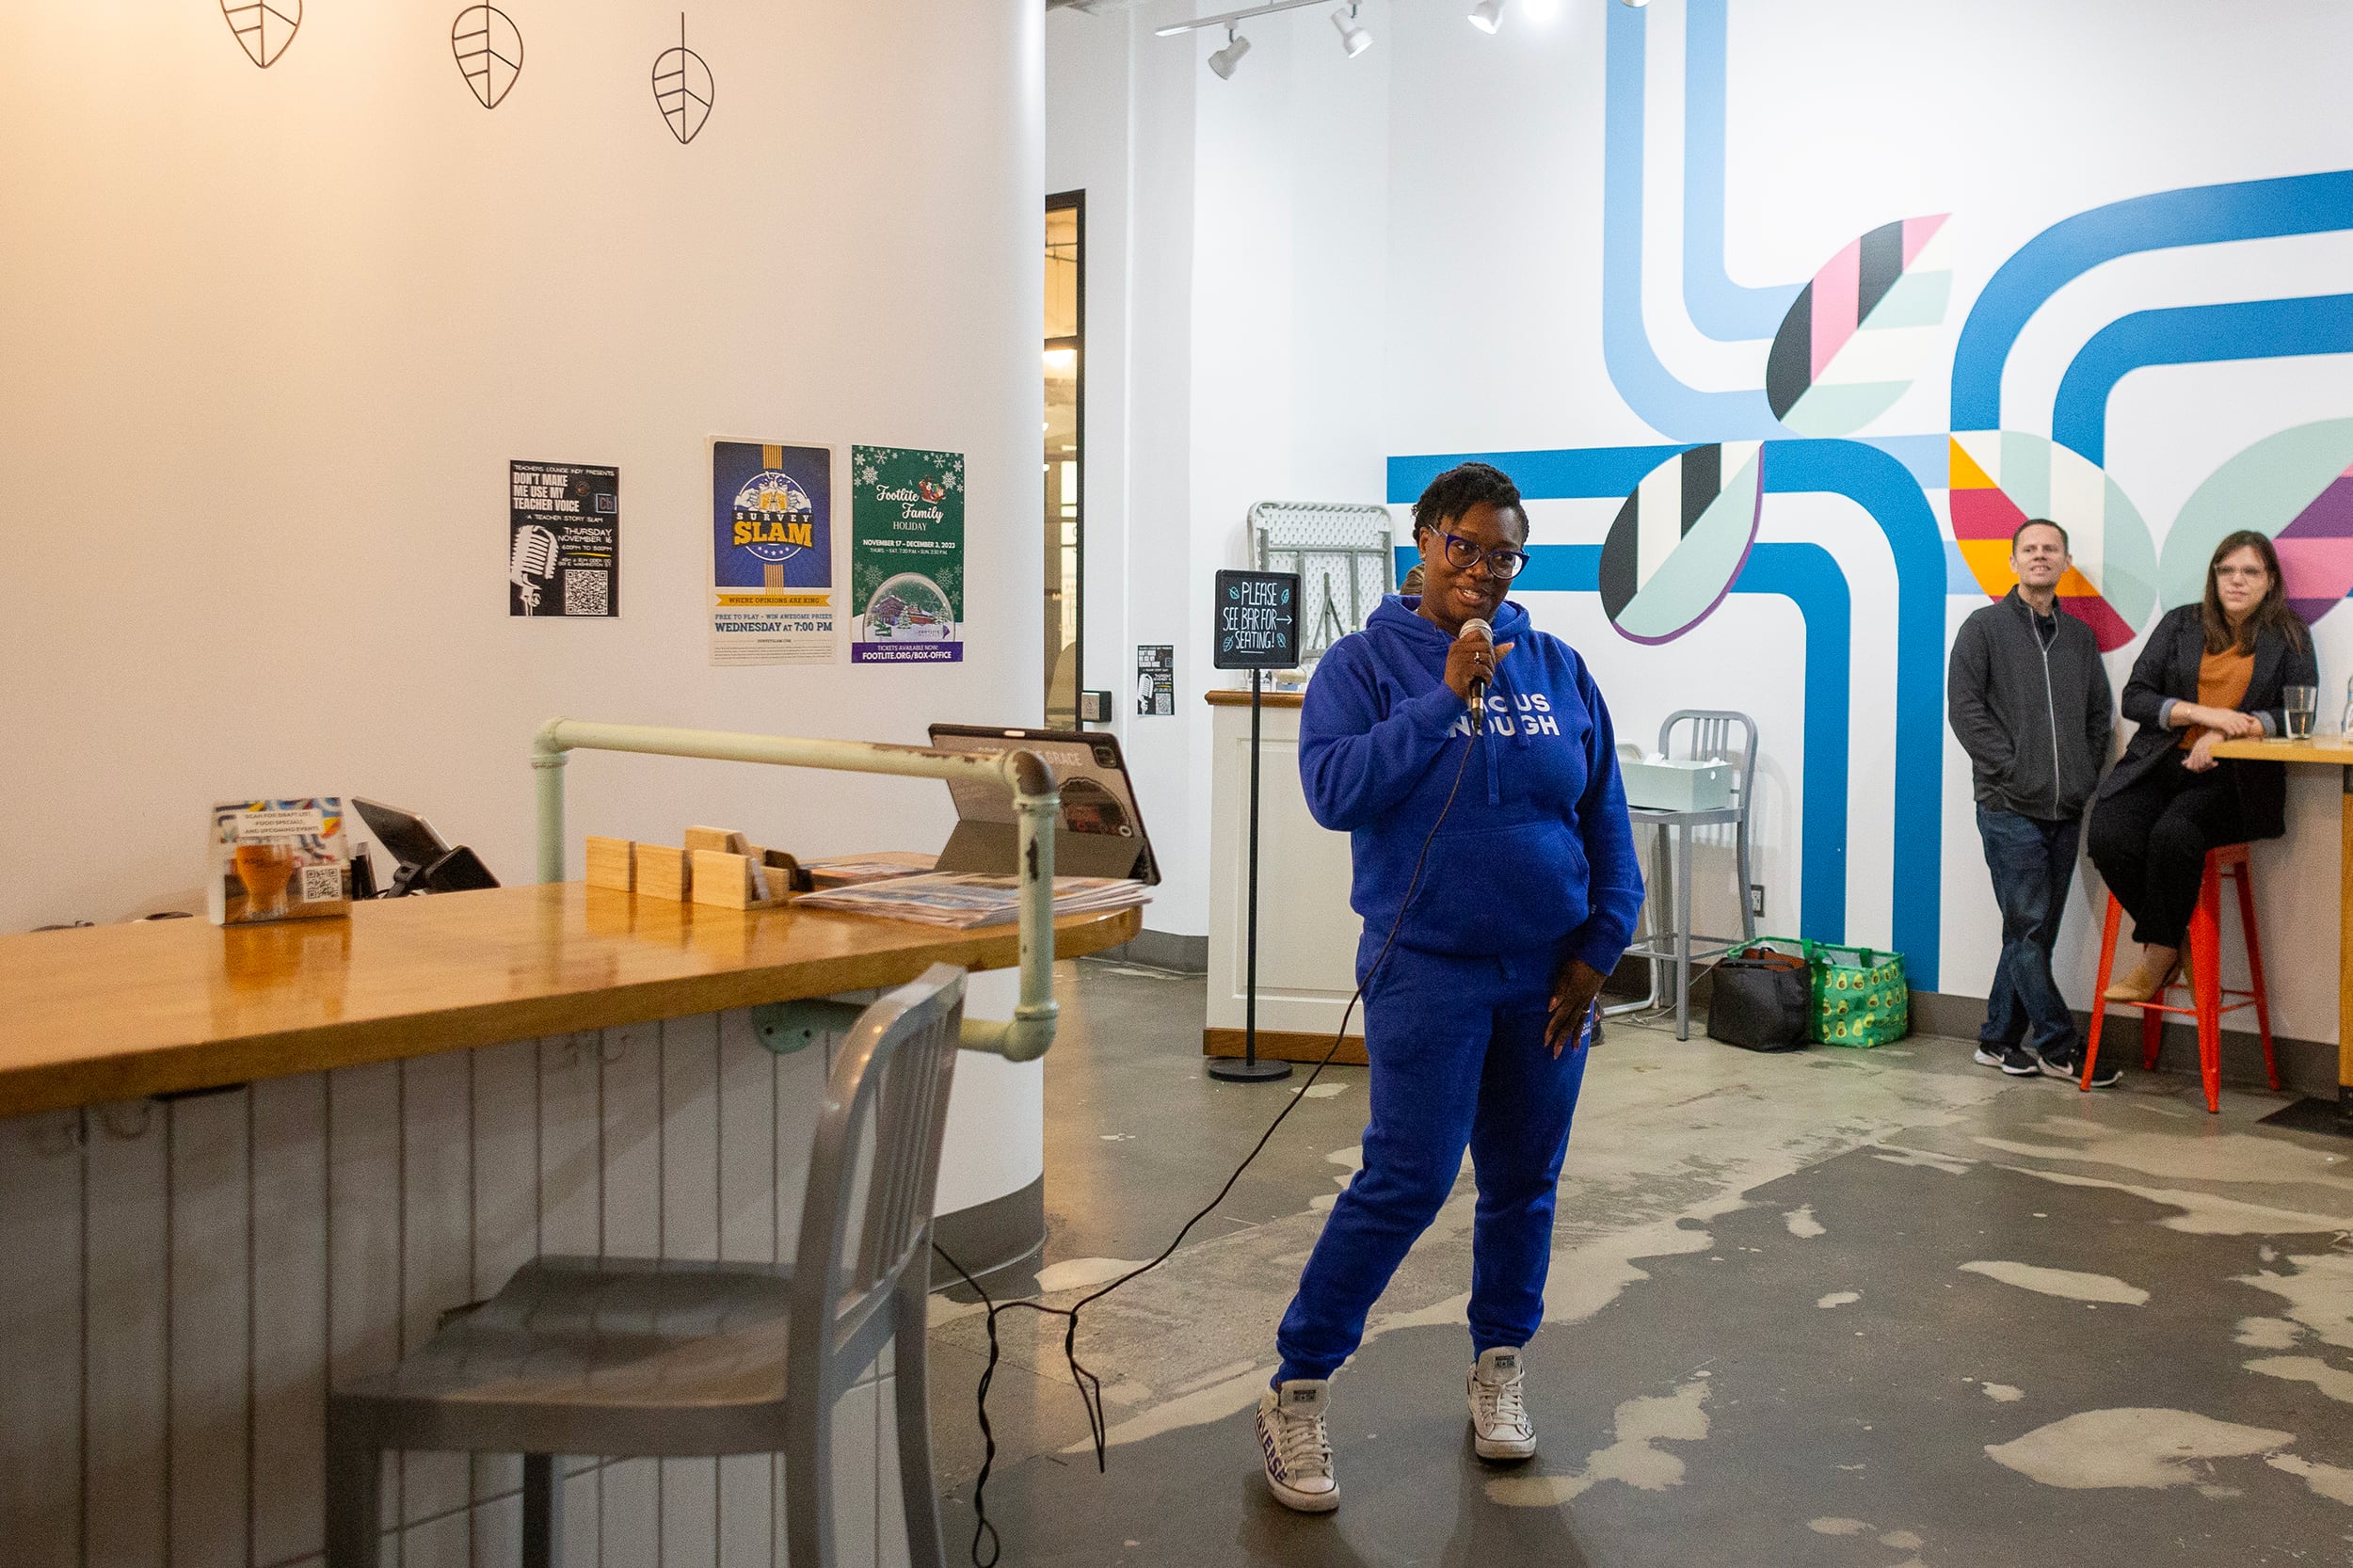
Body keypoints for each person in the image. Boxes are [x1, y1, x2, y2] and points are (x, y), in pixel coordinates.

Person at [1253, 461, 1643, 1512]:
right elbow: (1334, 791)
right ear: (1422, 541)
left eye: (1502, 553)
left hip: (1549, 979)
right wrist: (1441, 697)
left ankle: (1500, 1366)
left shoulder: (1556, 664)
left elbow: (1604, 816)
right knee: (1408, 1178)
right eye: (1463, 545)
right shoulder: (1363, 664)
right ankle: (1297, 1384)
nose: (1481, 569)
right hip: (1424, 969)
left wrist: (1600, 947)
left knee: (1525, 1179)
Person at [2088, 531, 2315, 1005]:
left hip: (2232, 778)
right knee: (2110, 835)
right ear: (2214, 576)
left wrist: (2232, 732)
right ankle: (2175, 942)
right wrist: (2202, 714)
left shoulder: (2289, 634)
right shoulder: (2181, 624)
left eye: (2250, 571)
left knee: (2174, 834)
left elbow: (2300, 714)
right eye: (2226, 570)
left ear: (2269, 581)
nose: (2236, 580)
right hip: (2159, 763)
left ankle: (2155, 959)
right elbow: (2136, 698)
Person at [1945, 519, 2115, 1084]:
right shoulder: (1984, 628)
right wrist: (2014, 768)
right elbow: (1965, 709)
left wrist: (2085, 774)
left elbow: (2098, 715)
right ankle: (2058, 1044)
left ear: (2065, 562)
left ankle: (1995, 1040)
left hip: (2066, 808)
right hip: (2007, 805)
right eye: (2030, 550)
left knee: (2030, 930)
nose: (2040, 557)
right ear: (2013, 562)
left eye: (2051, 549)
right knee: (2028, 927)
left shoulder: (2080, 638)